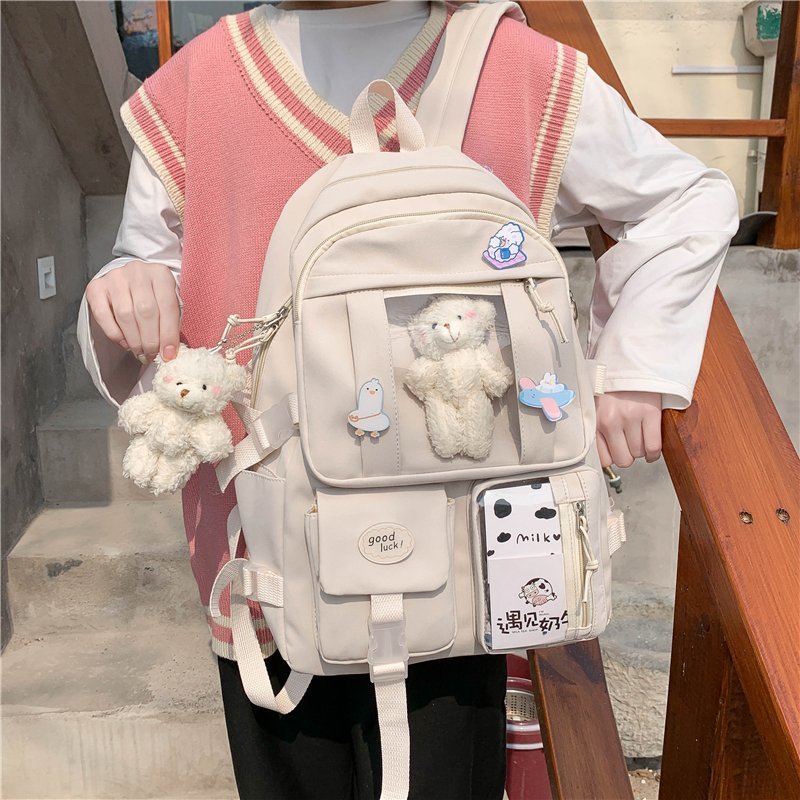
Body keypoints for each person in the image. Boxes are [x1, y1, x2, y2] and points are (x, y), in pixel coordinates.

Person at [78, 2, 739, 798]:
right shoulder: (203, 83)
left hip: (432, 563)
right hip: (297, 559)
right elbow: (146, 264)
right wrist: (127, 289)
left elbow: (685, 201)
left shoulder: (515, 67)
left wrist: (630, 372)